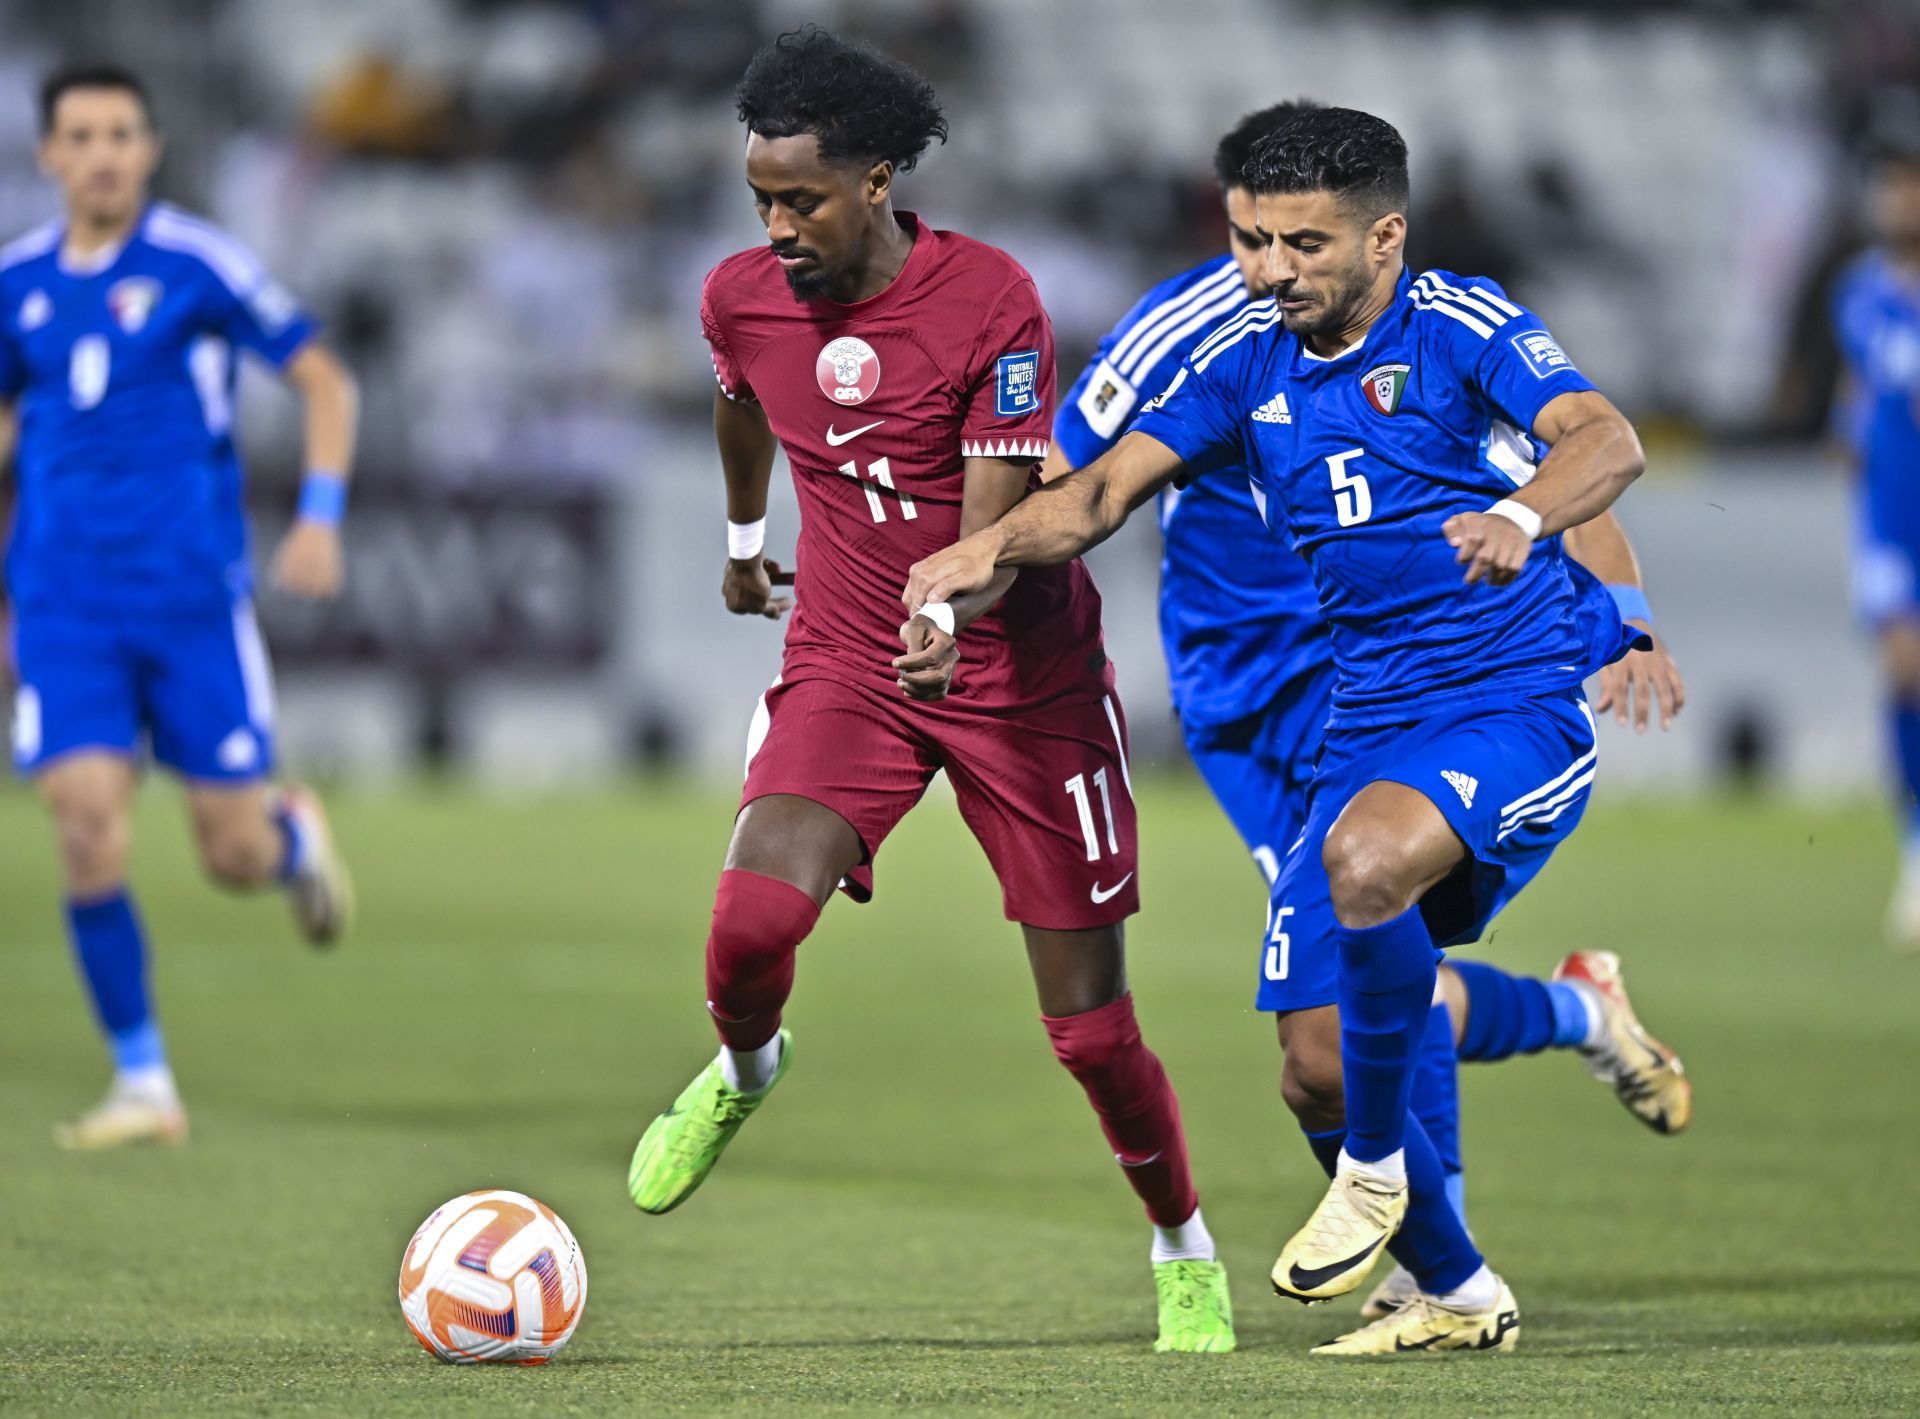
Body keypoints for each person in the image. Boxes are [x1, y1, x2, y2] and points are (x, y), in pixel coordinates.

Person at [907, 106, 1664, 1356]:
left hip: (1508, 701)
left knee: (1367, 874)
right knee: (1314, 1057)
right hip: (1344, 721)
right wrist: (968, 563)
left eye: (1303, 245)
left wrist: (1530, 526)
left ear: (1384, 235)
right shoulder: (1239, 363)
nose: (1272, 272)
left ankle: (1379, 1172)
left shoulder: (1460, 325)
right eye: (1253, 242)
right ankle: (1463, 1293)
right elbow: (1093, 492)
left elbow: (1606, 441)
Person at [623, 27, 1233, 1354]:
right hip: (851, 658)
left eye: (802, 199)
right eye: (761, 201)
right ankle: (746, 1069)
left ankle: (1180, 1236)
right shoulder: (739, 295)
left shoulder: (990, 299)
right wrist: (743, 543)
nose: (777, 227)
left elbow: (998, 524)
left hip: (1025, 679)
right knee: (743, 929)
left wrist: (950, 611)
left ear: (880, 180)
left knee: (1089, 1032)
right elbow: (740, 401)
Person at [2, 65, 358, 1149]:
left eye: (121, 132)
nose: (102, 152)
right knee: (87, 825)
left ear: (148, 149)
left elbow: (324, 381)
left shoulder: (199, 264)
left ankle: (291, 841)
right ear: (48, 154)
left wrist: (318, 516)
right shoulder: (14, 283)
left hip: (192, 600)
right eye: (81, 134)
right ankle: (144, 1080)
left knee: (230, 855)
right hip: (63, 605)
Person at [1833, 144, 1920, 950]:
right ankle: (1915, 855)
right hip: (1893, 518)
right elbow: (1859, 388)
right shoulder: (1859, 293)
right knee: (1906, 671)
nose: (1898, 200)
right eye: (1891, 185)